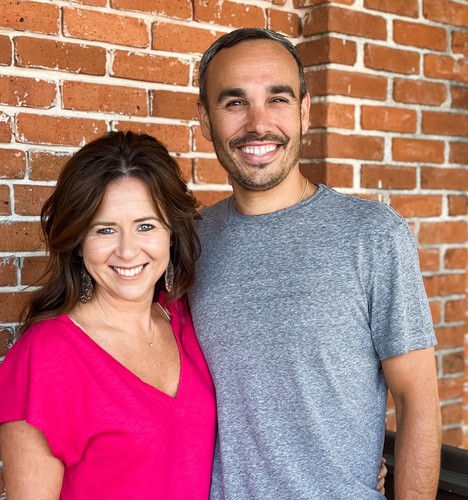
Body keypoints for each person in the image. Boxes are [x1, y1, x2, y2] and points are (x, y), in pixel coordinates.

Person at [189, 28, 442, 499]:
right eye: (235, 102)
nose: (258, 124)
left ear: (304, 110)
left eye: (278, 99)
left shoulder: (372, 234)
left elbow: (418, 402)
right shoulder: (188, 242)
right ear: (205, 118)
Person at [0, 131, 217, 499]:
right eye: (105, 229)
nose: (127, 251)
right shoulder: (45, 358)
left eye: (146, 226)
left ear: (171, 234)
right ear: (79, 242)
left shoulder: (184, 318)